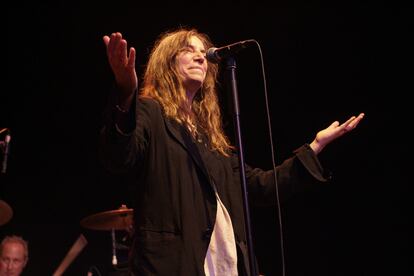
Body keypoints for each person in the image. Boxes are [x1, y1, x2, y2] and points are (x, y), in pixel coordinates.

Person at [99, 27, 364, 276]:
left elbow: (259, 186)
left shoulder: (210, 137)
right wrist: (126, 91)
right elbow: (121, 155)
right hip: (176, 263)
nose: (201, 57)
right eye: (188, 50)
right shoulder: (151, 112)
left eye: (203, 52)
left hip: (226, 264)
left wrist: (315, 147)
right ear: (167, 62)